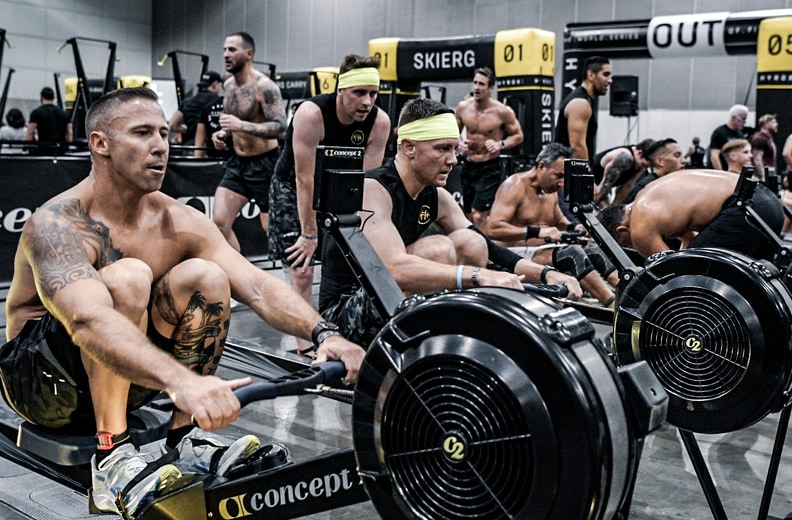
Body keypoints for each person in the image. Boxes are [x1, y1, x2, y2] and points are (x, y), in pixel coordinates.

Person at [0, 87, 365, 520]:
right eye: (141, 133)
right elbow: (86, 320)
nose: (160, 146)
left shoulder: (178, 220)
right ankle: (111, 460)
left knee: (207, 277)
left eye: (162, 133)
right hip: (43, 387)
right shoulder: (58, 223)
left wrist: (326, 333)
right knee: (128, 276)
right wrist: (180, 381)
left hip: (121, 375)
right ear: (101, 144)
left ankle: (186, 439)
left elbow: (257, 285)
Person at [318, 98, 582, 345]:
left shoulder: (438, 197)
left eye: (455, 149)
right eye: (443, 149)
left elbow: (488, 249)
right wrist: (478, 277)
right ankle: (429, 345)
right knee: (438, 250)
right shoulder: (373, 189)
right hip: (345, 313)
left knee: (471, 242)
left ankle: (454, 337)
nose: (454, 160)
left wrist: (547, 274)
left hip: (390, 299)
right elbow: (395, 268)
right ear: (409, 147)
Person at [269, 54, 391, 317]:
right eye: (359, 93)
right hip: (294, 188)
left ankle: (334, 325)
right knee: (302, 269)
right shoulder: (311, 115)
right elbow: (305, 179)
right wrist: (309, 235)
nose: (367, 101)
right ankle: (305, 345)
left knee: (346, 264)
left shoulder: (379, 123)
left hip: (339, 190)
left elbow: (365, 183)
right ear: (341, 89)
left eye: (373, 93)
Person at [485, 142, 618, 306]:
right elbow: (493, 228)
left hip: (541, 252)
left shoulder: (550, 192)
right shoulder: (514, 186)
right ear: (541, 167)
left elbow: (561, 222)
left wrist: (576, 228)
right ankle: (614, 307)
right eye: (558, 175)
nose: (562, 183)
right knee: (572, 253)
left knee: (596, 251)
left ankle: (628, 299)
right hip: (512, 256)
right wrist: (537, 232)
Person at [596, 168, 786, 261]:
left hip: (745, 209)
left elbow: (670, 268)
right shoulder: (645, 195)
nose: (633, 246)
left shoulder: (639, 225)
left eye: (626, 244)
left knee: (696, 270)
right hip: (769, 202)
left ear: (622, 229)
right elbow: (688, 240)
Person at [210, 32, 285, 252]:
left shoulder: (266, 87)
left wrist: (241, 126)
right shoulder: (228, 85)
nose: (226, 55)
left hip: (266, 165)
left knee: (272, 228)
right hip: (238, 164)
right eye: (224, 49)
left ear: (249, 54)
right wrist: (223, 134)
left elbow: (282, 128)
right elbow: (231, 121)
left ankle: (291, 281)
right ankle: (242, 274)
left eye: (232, 50)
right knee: (220, 223)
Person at [455, 67, 523, 230]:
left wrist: (500, 144)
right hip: (469, 164)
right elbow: (454, 132)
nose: (477, 88)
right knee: (468, 214)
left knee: (480, 214)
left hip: (489, 167)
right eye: (475, 83)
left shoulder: (502, 112)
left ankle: (485, 253)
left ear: (490, 88)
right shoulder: (463, 107)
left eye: (482, 84)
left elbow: (518, 135)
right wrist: (459, 143)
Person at [723, 137, 792, 241]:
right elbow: (769, 197)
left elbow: (776, 193)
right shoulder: (733, 179)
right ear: (733, 156)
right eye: (746, 152)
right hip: (746, 224)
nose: (751, 155)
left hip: (760, 219)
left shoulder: (748, 177)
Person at [555, 56, 612, 162]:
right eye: (605, 74)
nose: (610, 80)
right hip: (567, 173)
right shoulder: (580, 103)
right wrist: (585, 176)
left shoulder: (585, 100)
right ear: (591, 75)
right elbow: (577, 147)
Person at [622, 137, 685, 204]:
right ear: (660, 161)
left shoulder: (665, 182)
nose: (684, 160)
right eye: (677, 155)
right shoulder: (647, 188)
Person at [170, 71, 222, 147]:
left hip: (188, 147)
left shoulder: (187, 101)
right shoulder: (218, 102)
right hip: (209, 148)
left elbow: (172, 125)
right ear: (215, 85)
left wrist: (190, 130)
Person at [593, 139, 652, 206]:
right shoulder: (625, 158)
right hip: (589, 181)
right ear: (639, 153)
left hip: (599, 188)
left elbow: (626, 187)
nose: (643, 169)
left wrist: (614, 207)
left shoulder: (639, 164)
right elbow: (602, 189)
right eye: (644, 165)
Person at [27, 86, 73, 155]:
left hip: (44, 150)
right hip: (60, 150)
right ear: (53, 98)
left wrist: (25, 148)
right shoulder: (64, 113)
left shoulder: (36, 113)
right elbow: (69, 133)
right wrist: (68, 147)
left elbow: (30, 133)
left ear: (41, 98)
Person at [707, 104, 748, 171]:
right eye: (743, 118)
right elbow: (714, 156)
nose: (744, 122)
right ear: (734, 117)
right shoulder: (720, 132)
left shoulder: (740, 135)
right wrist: (721, 173)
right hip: (723, 171)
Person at [750, 113, 779, 181]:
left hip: (770, 172)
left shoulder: (769, 138)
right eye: (773, 122)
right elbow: (757, 159)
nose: (776, 125)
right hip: (761, 176)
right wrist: (763, 175)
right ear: (766, 124)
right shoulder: (759, 138)